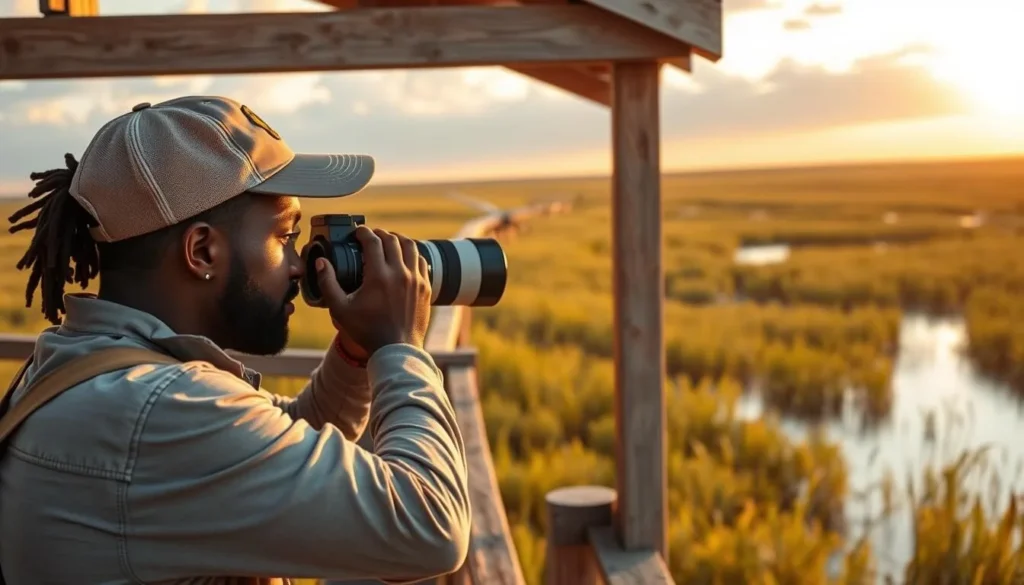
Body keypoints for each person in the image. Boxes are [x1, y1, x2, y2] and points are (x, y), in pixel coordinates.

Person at [0, 96, 471, 584]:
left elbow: (270, 443)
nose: (296, 265)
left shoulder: (88, 368)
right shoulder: (159, 409)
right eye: (283, 236)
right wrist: (402, 348)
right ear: (203, 250)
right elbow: (429, 528)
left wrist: (355, 353)